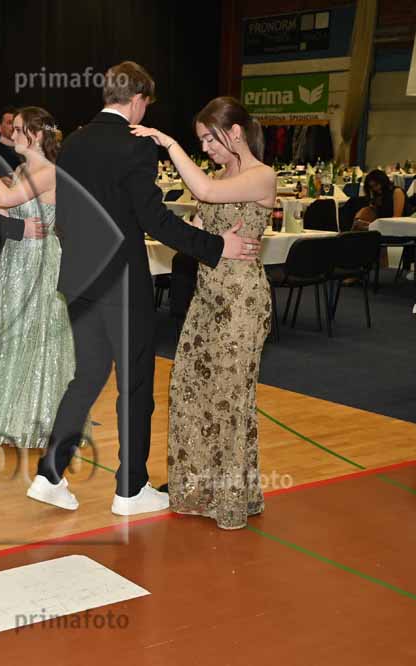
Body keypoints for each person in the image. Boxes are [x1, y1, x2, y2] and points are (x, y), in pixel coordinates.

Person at [30, 62, 260, 514]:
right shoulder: (135, 146)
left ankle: (49, 474)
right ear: (137, 99)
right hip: (121, 282)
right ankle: (130, 489)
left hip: (78, 279)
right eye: (146, 104)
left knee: (87, 377)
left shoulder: (73, 143)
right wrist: (218, 246)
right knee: (135, 385)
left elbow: (65, 219)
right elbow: (155, 220)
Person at [132, 96, 275, 530]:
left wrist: (170, 144)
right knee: (190, 389)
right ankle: (197, 488)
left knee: (229, 399)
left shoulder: (262, 175)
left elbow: (207, 194)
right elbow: (197, 229)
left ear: (235, 132)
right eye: (199, 142)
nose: (206, 149)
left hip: (241, 301)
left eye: (209, 140)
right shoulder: (217, 177)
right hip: (207, 297)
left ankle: (230, 497)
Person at [0, 107, 81, 449]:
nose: (13, 134)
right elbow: (6, 208)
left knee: (33, 333)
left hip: (39, 260)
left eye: (20, 129)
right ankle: (2, 415)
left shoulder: (50, 172)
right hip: (16, 257)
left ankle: (30, 420)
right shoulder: (24, 169)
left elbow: (8, 197)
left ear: (36, 136)